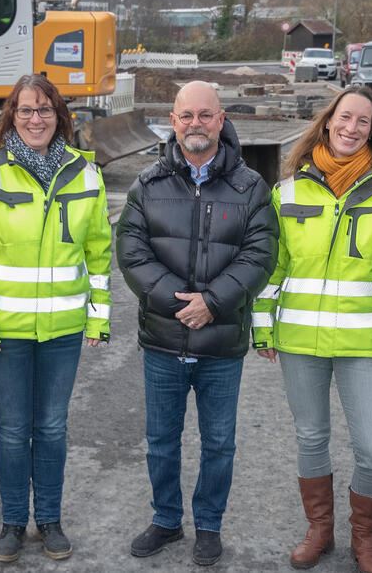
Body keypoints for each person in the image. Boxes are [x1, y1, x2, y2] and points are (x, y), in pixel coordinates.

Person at [251, 86, 372, 573]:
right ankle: (320, 529)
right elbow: (273, 268)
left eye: (362, 122)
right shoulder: (287, 190)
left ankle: (363, 537)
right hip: (300, 339)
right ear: (327, 122)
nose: (351, 128)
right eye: (344, 118)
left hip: (364, 344)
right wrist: (263, 330)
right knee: (311, 438)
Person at [116, 81, 278, 566]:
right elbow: (131, 252)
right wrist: (178, 302)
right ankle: (166, 520)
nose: (196, 125)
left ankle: (209, 525)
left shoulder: (251, 188)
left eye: (205, 115)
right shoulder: (147, 185)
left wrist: (212, 303)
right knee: (162, 442)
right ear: (173, 119)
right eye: (187, 116)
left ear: (221, 119)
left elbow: (260, 255)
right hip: (164, 341)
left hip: (221, 344)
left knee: (219, 444)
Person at [0, 74, 112, 563]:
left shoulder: (86, 173)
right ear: (12, 116)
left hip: (63, 330)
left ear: (59, 115)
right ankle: (11, 523)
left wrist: (97, 319)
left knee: (51, 428)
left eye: (45, 109)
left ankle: (49, 519)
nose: (36, 119)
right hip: (6, 332)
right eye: (26, 110)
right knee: (11, 427)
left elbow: (100, 252)